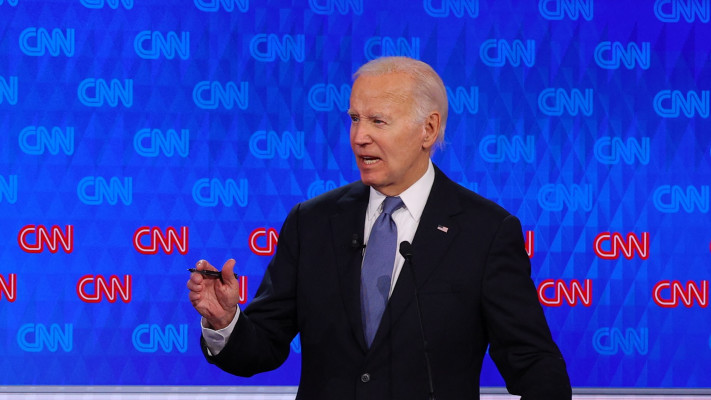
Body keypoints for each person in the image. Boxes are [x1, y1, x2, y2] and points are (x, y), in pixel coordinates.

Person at [187, 56, 572, 400]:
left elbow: (532, 361)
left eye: (378, 121)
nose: (359, 137)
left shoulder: (485, 231)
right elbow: (264, 346)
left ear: (428, 129)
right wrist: (225, 322)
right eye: (354, 118)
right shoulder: (312, 222)